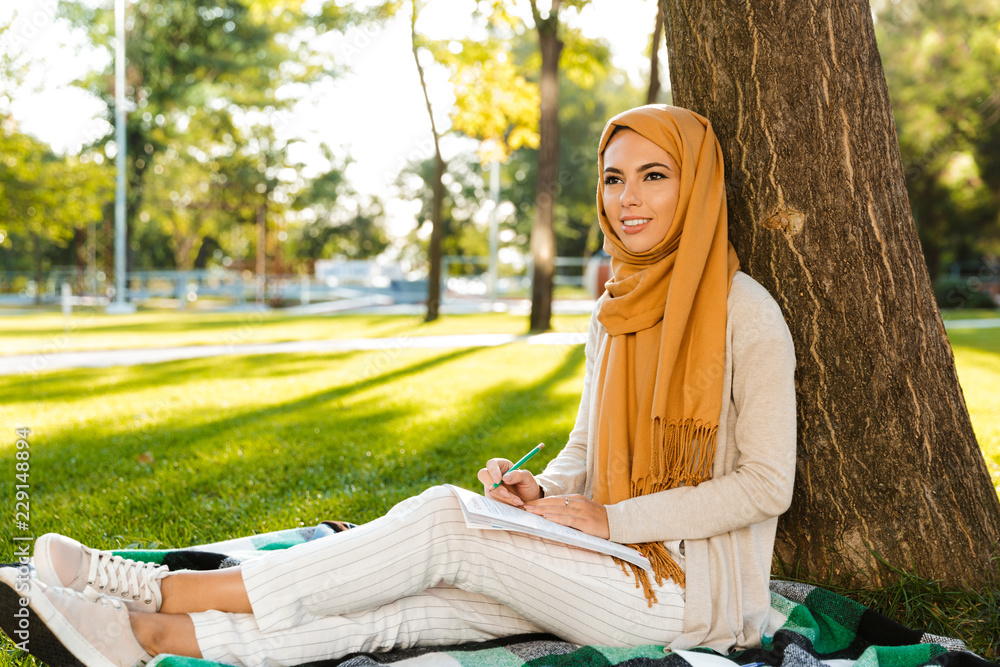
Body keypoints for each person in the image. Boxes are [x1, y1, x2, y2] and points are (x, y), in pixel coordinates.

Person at [0, 105, 797, 667]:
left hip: (685, 595)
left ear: (695, 186)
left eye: (654, 176)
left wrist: (610, 517)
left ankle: (156, 588)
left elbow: (767, 484)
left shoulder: (745, 314)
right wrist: (537, 492)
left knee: (447, 523)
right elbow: (584, 452)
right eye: (614, 178)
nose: (628, 199)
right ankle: (145, 641)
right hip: (596, 558)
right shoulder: (613, 308)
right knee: (417, 608)